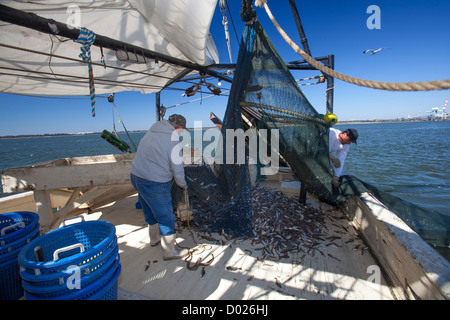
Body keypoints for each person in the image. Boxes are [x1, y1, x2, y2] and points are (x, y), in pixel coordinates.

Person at [130, 114, 189, 260]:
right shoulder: (173, 140)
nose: (181, 133)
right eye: (182, 130)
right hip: (154, 181)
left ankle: (154, 239)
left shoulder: (152, 131)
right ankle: (169, 252)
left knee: (148, 207)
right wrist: (183, 184)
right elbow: (178, 169)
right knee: (166, 215)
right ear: (177, 127)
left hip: (136, 176)